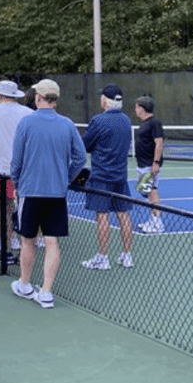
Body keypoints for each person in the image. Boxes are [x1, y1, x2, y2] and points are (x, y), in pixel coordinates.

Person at [8, 80, 87, 308]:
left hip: (30, 191)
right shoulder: (67, 124)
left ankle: (24, 284)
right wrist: (65, 178)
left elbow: (16, 162)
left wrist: (18, 184)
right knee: (51, 241)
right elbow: (80, 159)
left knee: (27, 240)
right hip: (56, 192)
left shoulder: (26, 123)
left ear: (39, 97)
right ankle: (46, 291)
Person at [81, 84, 134, 270]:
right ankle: (127, 255)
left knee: (102, 216)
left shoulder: (98, 121)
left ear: (105, 100)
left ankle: (103, 258)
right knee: (123, 214)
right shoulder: (126, 120)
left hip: (101, 177)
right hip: (120, 176)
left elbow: (84, 146)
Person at [0, 80, 33, 253]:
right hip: (24, 170)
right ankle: (15, 238)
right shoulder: (28, 113)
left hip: (0, 169)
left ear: (0, 95)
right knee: (20, 204)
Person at [133, 96, 165, 234]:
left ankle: (157, 225)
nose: (135, 110)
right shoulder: (145, 124)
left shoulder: (154, 123)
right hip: (143, 165)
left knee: (152, 193)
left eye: (136, 107)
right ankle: (153, 220)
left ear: (142, 108)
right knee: (148, 193)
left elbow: (159, 142)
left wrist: (155, 163)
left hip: (149, 165)